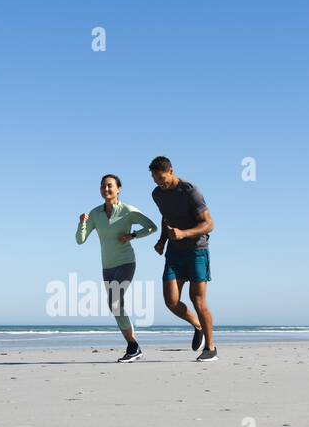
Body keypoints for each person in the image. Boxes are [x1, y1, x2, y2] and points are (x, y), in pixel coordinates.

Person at [75, 175, 158, 361]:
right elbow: (80, 240)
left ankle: (133, 345)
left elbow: (152, 227)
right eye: (103, 186)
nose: (106, 189)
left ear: (118, 189)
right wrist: (81, 223)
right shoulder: (95, 214)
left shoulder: (128, 210)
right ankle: (133, 345)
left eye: (110, 186)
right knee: (114, 305)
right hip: (107, 266)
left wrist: (132, 235)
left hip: (126, 262)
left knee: (114, 300)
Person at [149, 155, 217, 362]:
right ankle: (197, 325)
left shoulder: (191, 192)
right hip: (174, 253)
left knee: (197, 300)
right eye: (155, 179)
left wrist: (184, 233)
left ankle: (211, 348)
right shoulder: (157, 194)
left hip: (197, 251)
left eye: (162, 178)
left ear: (171, 171)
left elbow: (209, 224)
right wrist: (162, 240)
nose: (159, 183)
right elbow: (166, 217)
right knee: (171, 301)